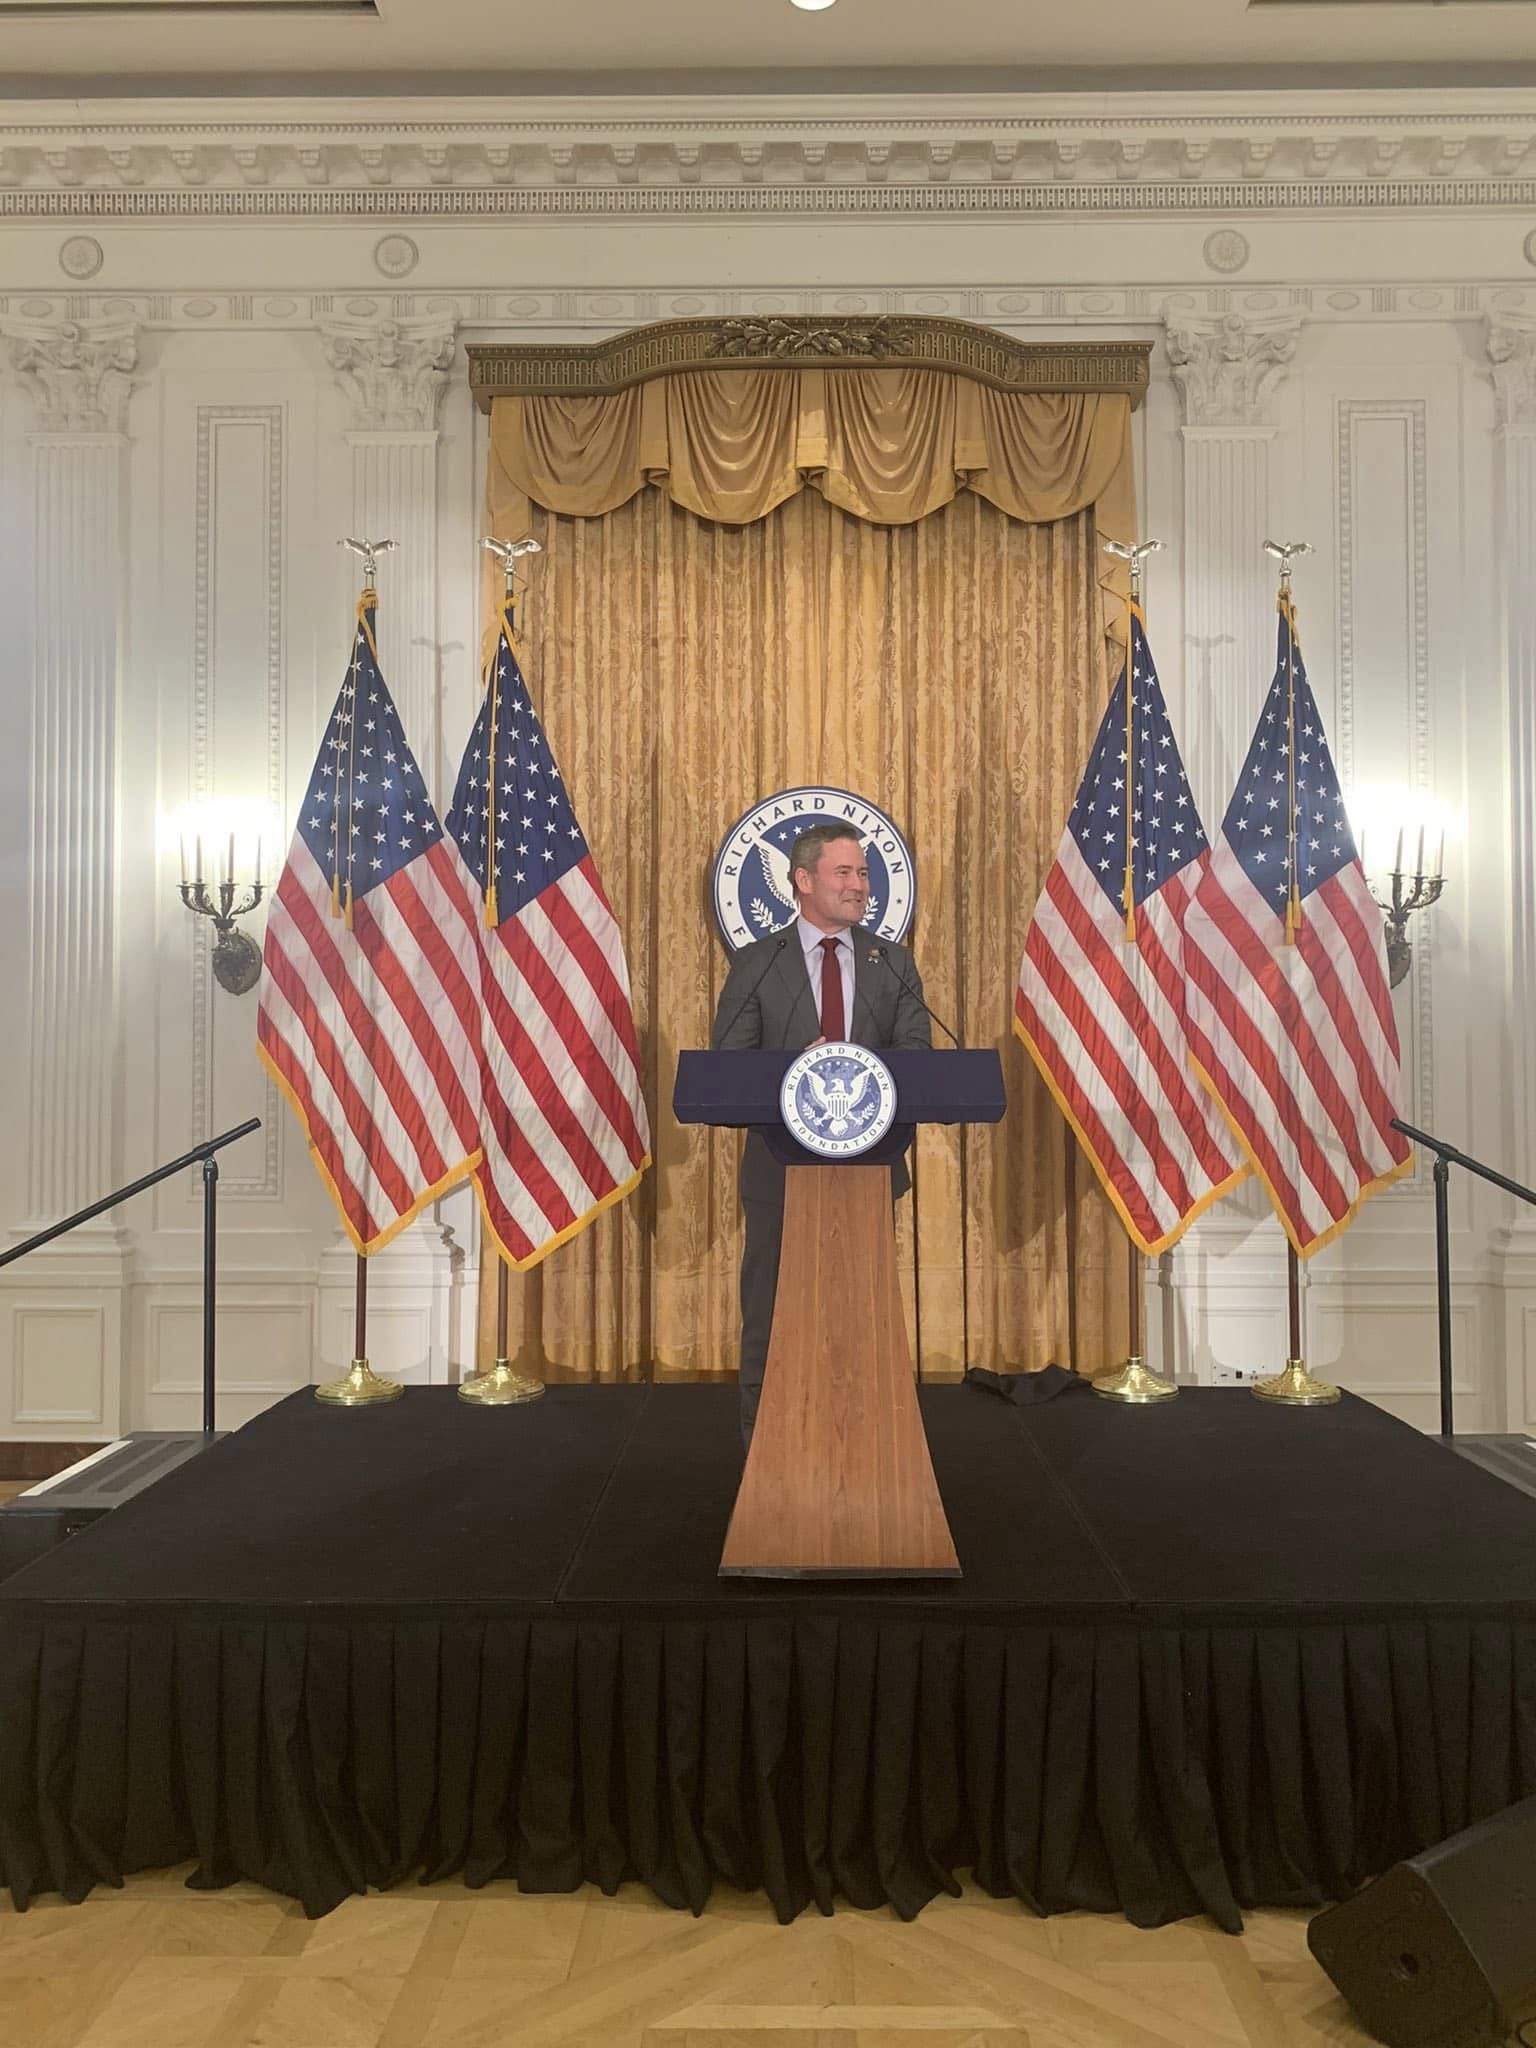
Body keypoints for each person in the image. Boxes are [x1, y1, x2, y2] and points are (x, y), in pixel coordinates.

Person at [710, 824, 931, 1444]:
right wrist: (796, 1072)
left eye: (863, 873)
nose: (860, 885)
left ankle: (868, 1445)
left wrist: (855, 1071)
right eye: (844, 873)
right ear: (803, 881)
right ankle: (764, 1446)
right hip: (778, 1175)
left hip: (869, 1171)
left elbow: (917, 1055)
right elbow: (728, 1067)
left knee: (861, 1315)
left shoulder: (892, 962)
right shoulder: (758, 963)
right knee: (771, 1312)